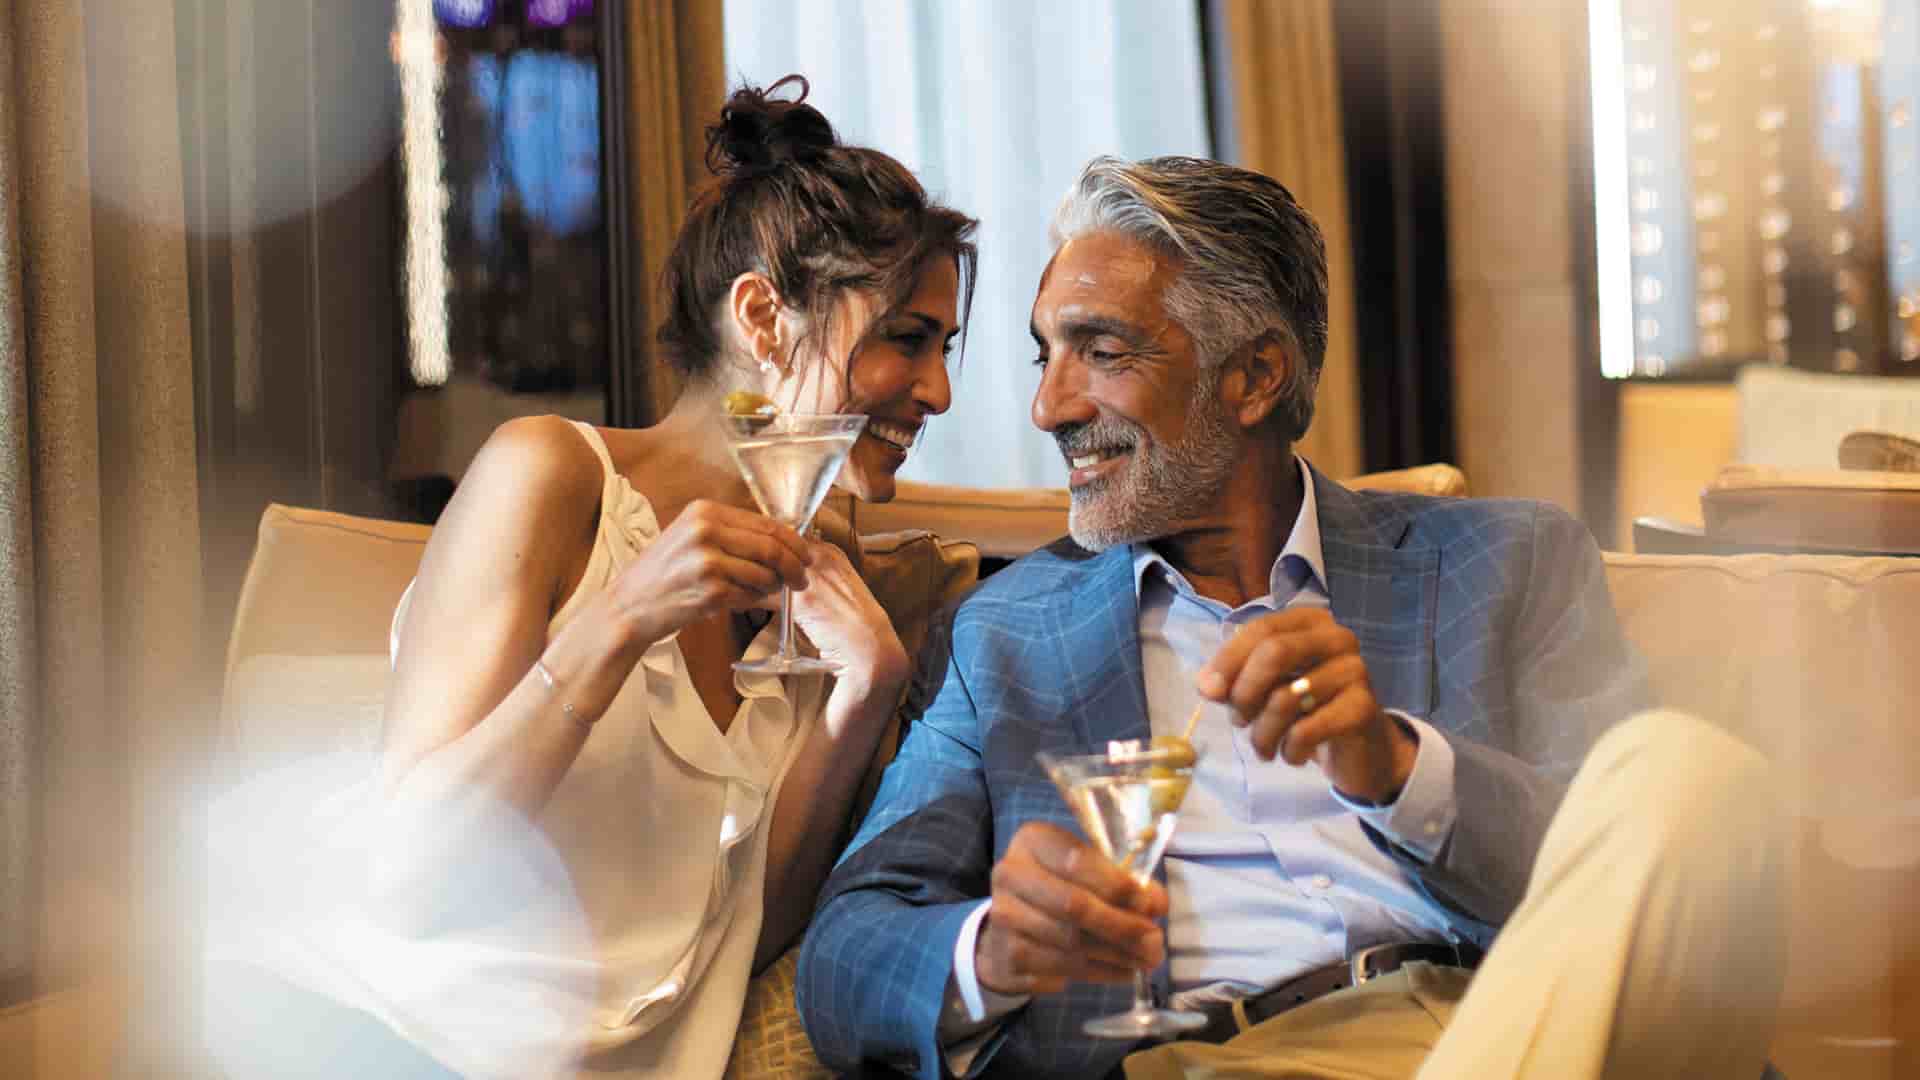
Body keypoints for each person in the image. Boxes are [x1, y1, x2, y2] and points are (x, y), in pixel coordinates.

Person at [795, 156, 1787, 1079]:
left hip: (1501, 1026)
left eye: (1099, 351)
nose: (1049, 406)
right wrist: (998, 949)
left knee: (1692, 773)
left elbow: (1630, 871)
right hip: (1214, 1054)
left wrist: (1400, 768)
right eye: (1044, 356)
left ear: (1256, 376)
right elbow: (845, 960)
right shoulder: (1005, 634)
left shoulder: (1507, 562)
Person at [207, 76, 978, 1079]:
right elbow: (408, 884)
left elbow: (745, 931)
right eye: (905, 340)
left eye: (945, 348)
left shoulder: (835, 599)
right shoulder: (551, 477)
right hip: (389, 1031)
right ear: (762, 315)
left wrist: (864, 694)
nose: (939, 392)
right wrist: (616, 623)